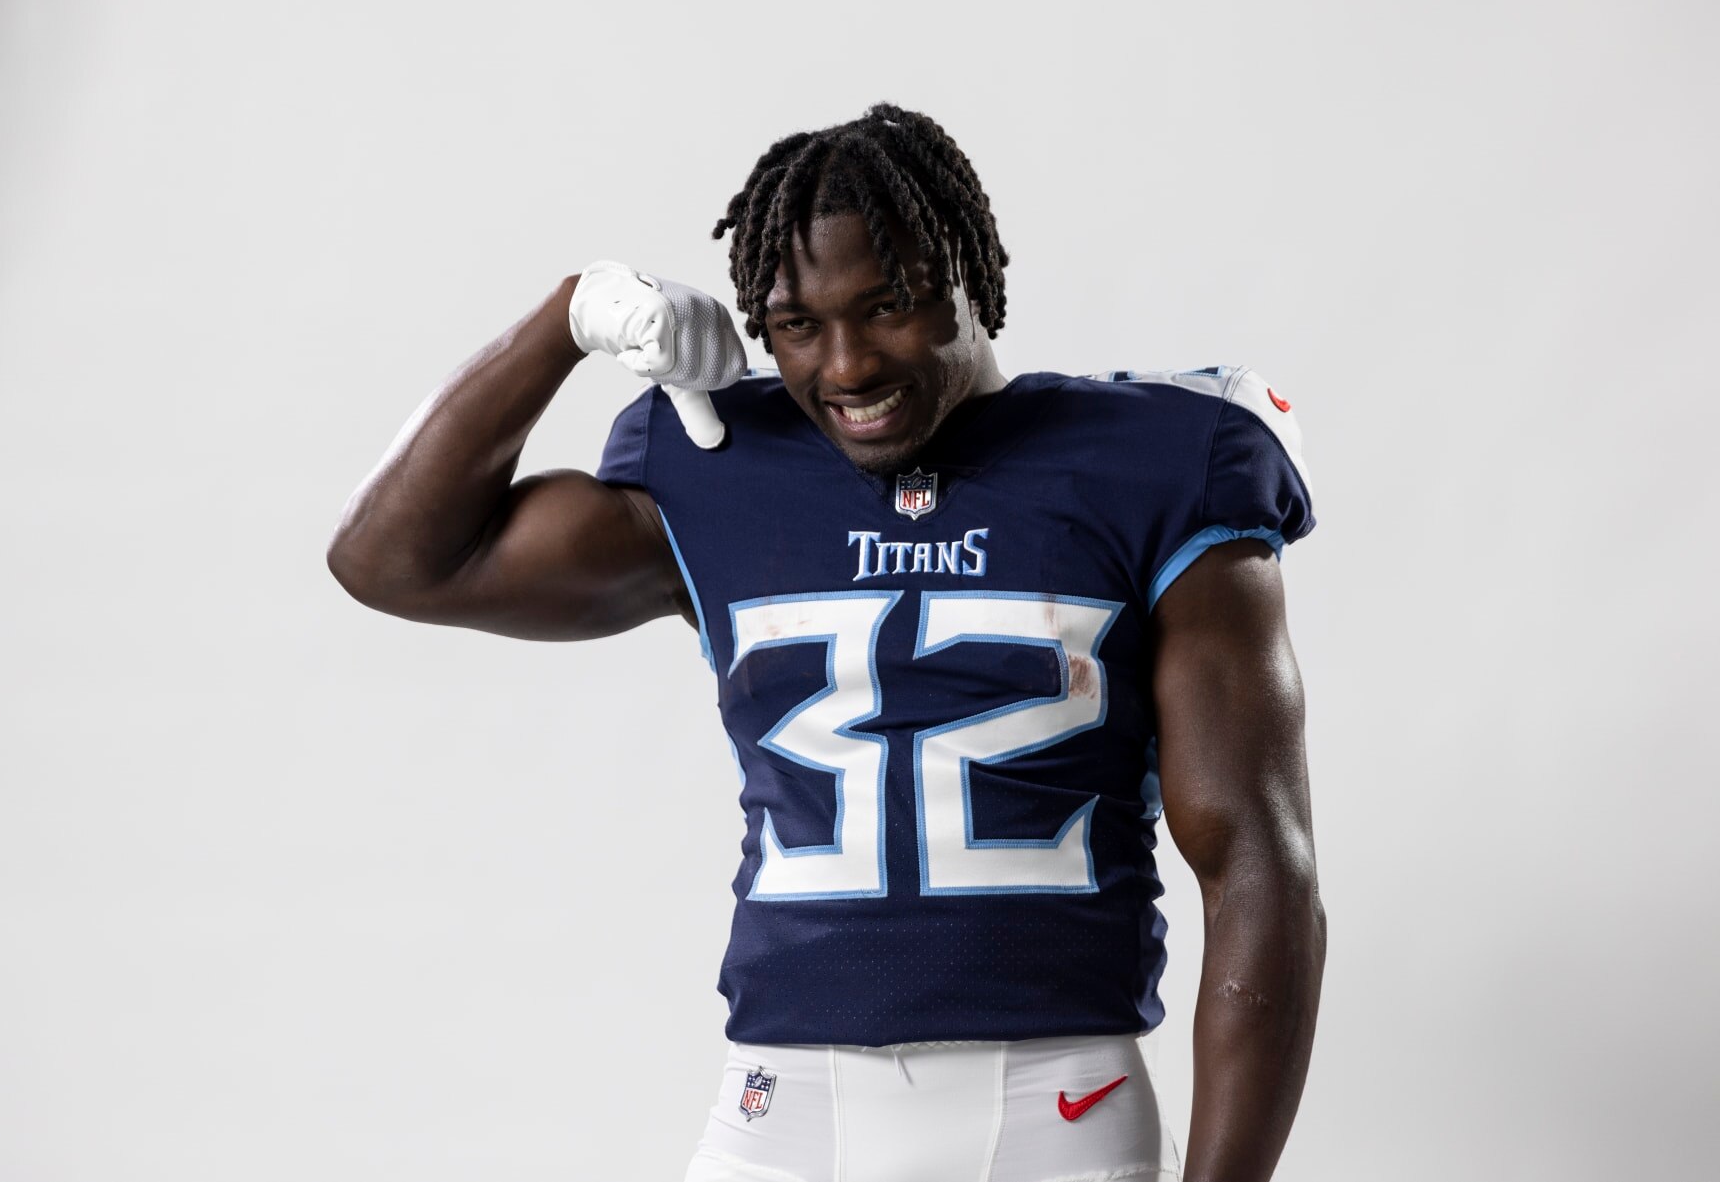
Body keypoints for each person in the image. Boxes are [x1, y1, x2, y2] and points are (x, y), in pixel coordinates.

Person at [327, 103, 1325, 1182]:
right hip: (780, 1112)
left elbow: (1258, 865)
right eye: (797, 323)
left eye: (887, 306)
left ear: (970, 278)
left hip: (1054, 1111)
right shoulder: (718, 465)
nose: (845, 366)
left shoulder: (1158, 462)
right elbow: (390, 560)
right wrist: (571, 316)